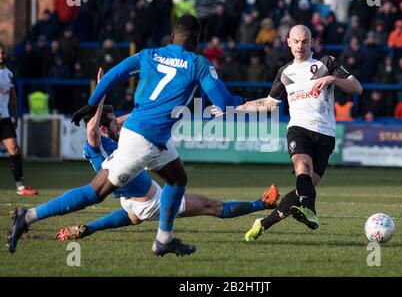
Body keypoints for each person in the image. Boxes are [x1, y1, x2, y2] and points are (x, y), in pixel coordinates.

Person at [8, 15, 243, 256]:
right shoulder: (199, 63)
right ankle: (28, 216)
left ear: (172, 36)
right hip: (145, 139)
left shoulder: (148, 54)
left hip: (144, 134)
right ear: (196, 40)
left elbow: (111, 76)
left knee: (177, 180)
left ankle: (164, 239)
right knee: (95, 192)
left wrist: (91, 104)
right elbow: (223, 102)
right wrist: (239, 102)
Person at [55, 86, 280, 241]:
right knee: (211, 206)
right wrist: (100, 94)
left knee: (133, 218)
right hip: (150, 201)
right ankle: (262, 204)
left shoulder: (103, 142)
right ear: (103, 129)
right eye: (114, 123)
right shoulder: (97, 144)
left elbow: (127, 118)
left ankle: (88, 228)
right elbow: (92, 128)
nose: (119, 124)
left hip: (130, 201)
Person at [225, 25, 362, 241]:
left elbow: (357, 88)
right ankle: (310, 211)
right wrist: (232, 107)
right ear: (288, 41)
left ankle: (262, 224)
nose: (300, 46)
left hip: (325, 134)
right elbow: (269, 103)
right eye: (296, 41)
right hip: (299, 129)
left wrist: (332, 79)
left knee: (301, 190)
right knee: (302, 167)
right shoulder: (285, 72)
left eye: (305, 41)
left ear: (312, 42)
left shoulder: (326, 63)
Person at [0, 44, 39, 196]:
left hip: (4, 118)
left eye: (3, 53)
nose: (1, 56)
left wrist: (15, 116)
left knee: (15, 149)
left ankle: (21, 187)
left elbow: (12, 97)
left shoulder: (9, 74)